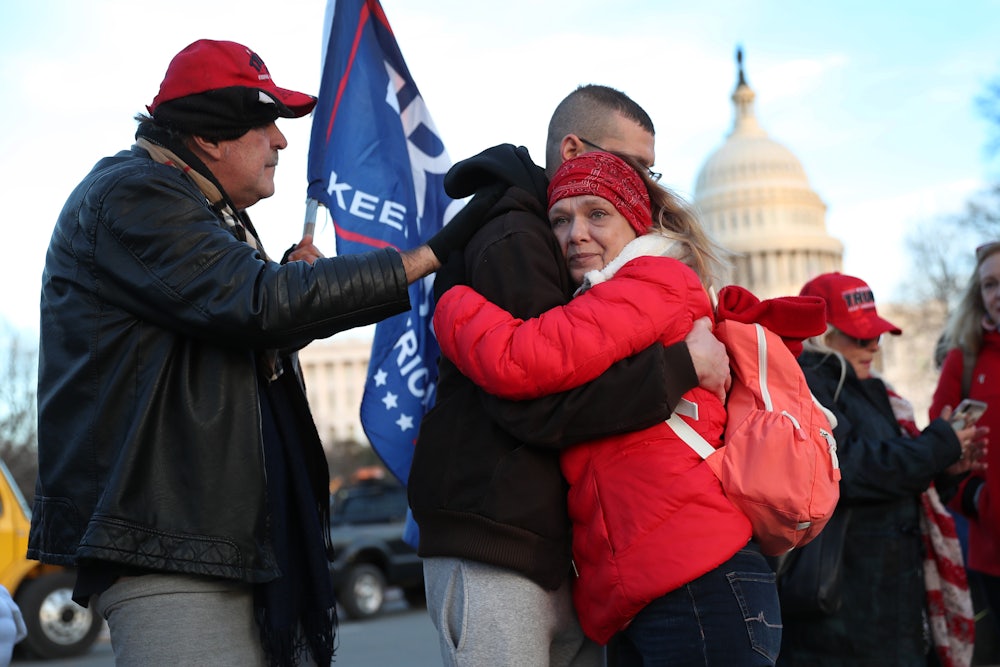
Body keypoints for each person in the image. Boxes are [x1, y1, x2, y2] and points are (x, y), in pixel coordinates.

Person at [28, 39, 484, 667]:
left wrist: (286, 295)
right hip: (172, 548)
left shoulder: (195, 207)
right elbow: (257, 304)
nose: (282, 141)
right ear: (212, 136)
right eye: (267, 121)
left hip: (219, 539)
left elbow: (245, 325)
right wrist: (429, 255)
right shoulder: (135, 195)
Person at [408, 86, 731, 667]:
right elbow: (534, 394)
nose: (648, 182)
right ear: (573, 147)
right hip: (500, 540)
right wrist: (680, 368)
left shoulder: (599, 263)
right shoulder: (517, 234)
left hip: (562, 550)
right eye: (634, 164)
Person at [779, 272, 986, 666]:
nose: (873, 345)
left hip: (887, 603)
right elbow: (850, 468)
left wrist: (946, 470)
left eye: (876, 334)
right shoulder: (807, 386)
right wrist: (938, 444)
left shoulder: (870, 388)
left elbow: (893, 487)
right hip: (844, 614)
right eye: (860, 337)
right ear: (821, 334)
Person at [931, 240, 1000, 662]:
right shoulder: (965, 360)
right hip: (992, 555)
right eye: (991, 284)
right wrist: (972, 497)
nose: (999, 293)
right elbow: (937, 447)